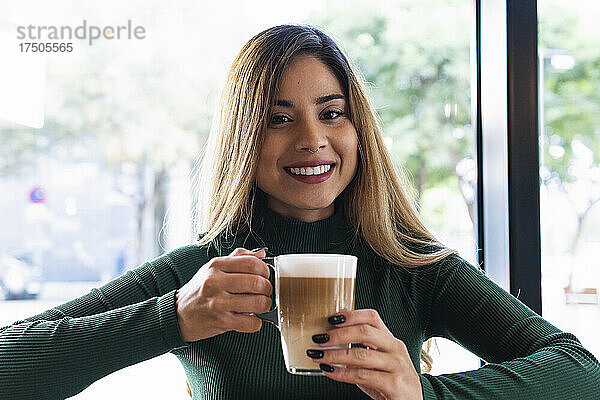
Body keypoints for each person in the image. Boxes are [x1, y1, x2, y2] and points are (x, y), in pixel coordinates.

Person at [0, 24, 598, 400]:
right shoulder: (205, 278)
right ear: (244, 141)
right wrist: (173, 317)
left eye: (331, 113)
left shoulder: (414, 270)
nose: (312, 139)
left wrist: (424, 394)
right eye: (279, 119)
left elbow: (579, 372)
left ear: (358, 132)